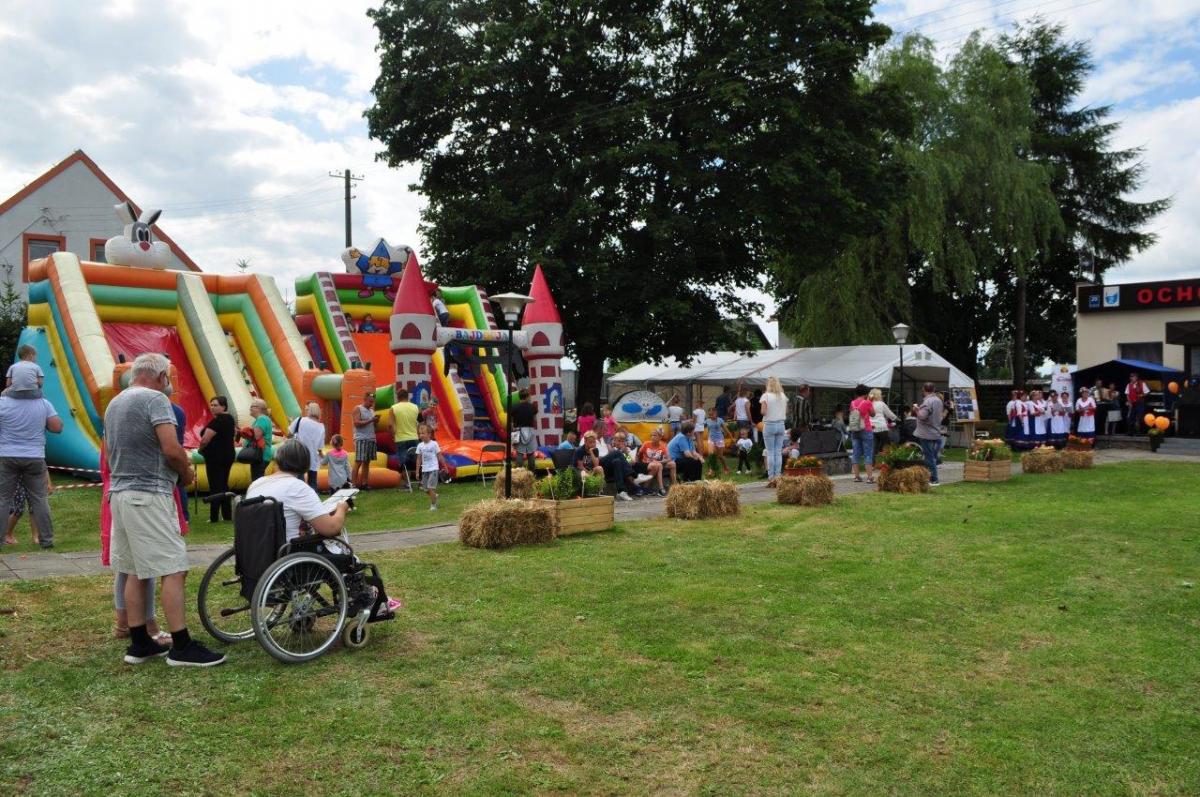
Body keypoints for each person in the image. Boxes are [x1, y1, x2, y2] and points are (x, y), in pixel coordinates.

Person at [105, 352, 223, 667]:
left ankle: (140, 642)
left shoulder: (115, 403)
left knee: (134, 569)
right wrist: (186, 472)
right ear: (161, 377)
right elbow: (172, 448)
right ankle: (181, 646)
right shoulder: (156, 400)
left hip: (120, 493)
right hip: (149, 494)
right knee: (173, 568)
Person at [246, 439, 398, 619]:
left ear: (278, 459)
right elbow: (331, 528)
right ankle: (368, 600)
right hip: (289, 558)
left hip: (255, 556)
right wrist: (342, 509)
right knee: (345, 555)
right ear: (304, 464)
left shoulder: (257, 484)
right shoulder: (297, 488)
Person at [0, 374, 61, 548]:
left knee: (3, 499)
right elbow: (57, 427)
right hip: (34, 456)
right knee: (39, 499)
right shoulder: (43, 403)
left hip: (8, 456)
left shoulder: (3, 403)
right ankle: (46, 540)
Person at [198, 396, 236, 523]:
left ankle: (214, 516)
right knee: (223, 484)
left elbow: (206, 439)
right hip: (228, 455)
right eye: (211, 405)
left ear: (223, 406)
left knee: (215, 485)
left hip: (216, 457)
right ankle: (227, 514)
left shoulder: (218, 420)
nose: (212, 407)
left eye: (215, 405)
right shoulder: (230, 419)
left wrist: (200, 449)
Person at [759, 376, 788, 486]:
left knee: (770, 452)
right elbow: (786, 411)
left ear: (768, 385)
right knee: (778, 452)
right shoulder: (783, 396)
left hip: (769, 424)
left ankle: (771, 478)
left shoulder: (766, 396)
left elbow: (763, 411)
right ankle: (778, 476)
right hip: (781, 424)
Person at [288, 402, 326, 488]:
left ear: (309, 411)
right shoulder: (321, 427)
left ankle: (300, 495)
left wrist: (291, 423)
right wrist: (322, 456)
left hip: (299, 454)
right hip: (313, 457)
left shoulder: (300, 420)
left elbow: (289, 433)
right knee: (312, 481)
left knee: (299, 480)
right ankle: (313, 495)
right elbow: (320, 446)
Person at [913, 382, 944, 486]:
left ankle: (934, 479)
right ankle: (927, 476)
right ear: (934, 389)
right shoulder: (938, 400)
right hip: (936, 431)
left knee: (929, 457)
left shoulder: (927, 401)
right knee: (932, 457)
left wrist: (916, 409)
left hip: (926, 433)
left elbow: (922, 416)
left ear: (924, 390)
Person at [390, 389, 419, 488]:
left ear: (398, 397)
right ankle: (421, 481)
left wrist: (393, 435)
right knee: (416, 460)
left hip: (401, 438)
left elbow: (391, 425)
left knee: (404, 462)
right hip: (414, 437)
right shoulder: (415, 407)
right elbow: (419, 422)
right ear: (408, 396)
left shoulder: (394, 408)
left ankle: (407, 483)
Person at [847, 384, 876, 484]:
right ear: (866, 393)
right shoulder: (867, 402)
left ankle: (857, 476)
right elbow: (873, 414)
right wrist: (870, 402)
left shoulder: (852, 403)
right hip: (866, 429)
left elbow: (852, 413)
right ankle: (869, 477)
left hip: (855, 429)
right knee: (868, 453)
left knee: (856, 453)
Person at [415, 424, 448, 510]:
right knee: (425, 489)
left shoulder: (434, 444)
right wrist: (417, 471)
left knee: (430, 488)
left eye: (423, 433)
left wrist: (445, 467)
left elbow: (439, 456)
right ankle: (434, 495)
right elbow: (418, 459)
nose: (421, 435)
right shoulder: (420, 446)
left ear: (429, 434)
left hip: (433, 469)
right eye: (419, 433)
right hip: (424, 469)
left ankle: (433, 505)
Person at [601, 432, 639, 500]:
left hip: (620, 471)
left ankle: (621, 492)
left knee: (617, 461)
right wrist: (621, 451)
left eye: (622, 441)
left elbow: (633, 463)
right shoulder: (612, 449)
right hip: (608, 470)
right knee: (617, 456)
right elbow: (608, 458)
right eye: (618, 441)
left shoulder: (626, 450)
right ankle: (634, 479)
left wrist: (626, 454)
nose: (620, 443)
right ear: (614, 441)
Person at [636, 428, 674, 496]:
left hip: (657, 463)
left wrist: (660, 461)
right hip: (646, 463)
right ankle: (661, 488)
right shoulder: (646, 444)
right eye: (651, 435)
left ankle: (674, 485)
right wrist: (638, 462)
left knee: (672, 464)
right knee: (658, 465)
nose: (652, 437)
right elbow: (638, 455)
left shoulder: (663, 446)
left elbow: (669, 458)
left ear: (660, 437)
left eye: (655, 435)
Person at [352, 391, 378, 489]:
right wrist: (371, 420)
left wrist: (376, 422)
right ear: (365, 400)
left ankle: (364, 483)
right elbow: (356, 423)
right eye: (370, 401)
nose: (371, 404)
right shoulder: (358, 408)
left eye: (373, 402)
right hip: (361, 438)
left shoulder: (372, 411)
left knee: (367, 462)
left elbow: (374, 427)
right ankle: (353, 484)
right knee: (358, 461)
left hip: (371, 438)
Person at [246, 398, 274, 483]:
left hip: (260, 455)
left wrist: (244, 433)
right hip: (262, 455)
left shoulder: (262, 419)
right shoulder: (263, 419)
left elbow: (256, 436)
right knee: (258, 478)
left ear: (259, 408)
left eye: (252, 406)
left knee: (257, 480)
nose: (250, 408)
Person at [511, 389, 538, 472]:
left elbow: (511, 421)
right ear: (527, 396)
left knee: (519, 452)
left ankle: (519, 473)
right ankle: (531, 473)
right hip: (530, 430)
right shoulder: (533, 407)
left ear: (519, 396)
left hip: (518, 431)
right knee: (531, 452)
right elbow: (535, 419)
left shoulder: (514, 407)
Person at [868, 388, 898, 456]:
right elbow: (889, 414)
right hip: (881, 427)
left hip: (871, 427)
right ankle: (883, 459)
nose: (881, 396)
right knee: (884, 446)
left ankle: (873, 461)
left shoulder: (868, 403)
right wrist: (896, 418)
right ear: (878, 395)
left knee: (874, 446)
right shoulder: (881, 403)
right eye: (880, 394)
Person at [703, 407, 730, 477]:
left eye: (712, 414)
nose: (711, 416)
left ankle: (726, 468)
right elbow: (701, 426)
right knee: (711, 455)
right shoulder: (707, 421)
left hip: (719, 439)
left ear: (716, 413)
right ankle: (711, 470)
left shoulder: (720, 420)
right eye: (709, 414)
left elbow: (726, 429)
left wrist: (731, 437)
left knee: (720, 456)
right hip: (711, 439)